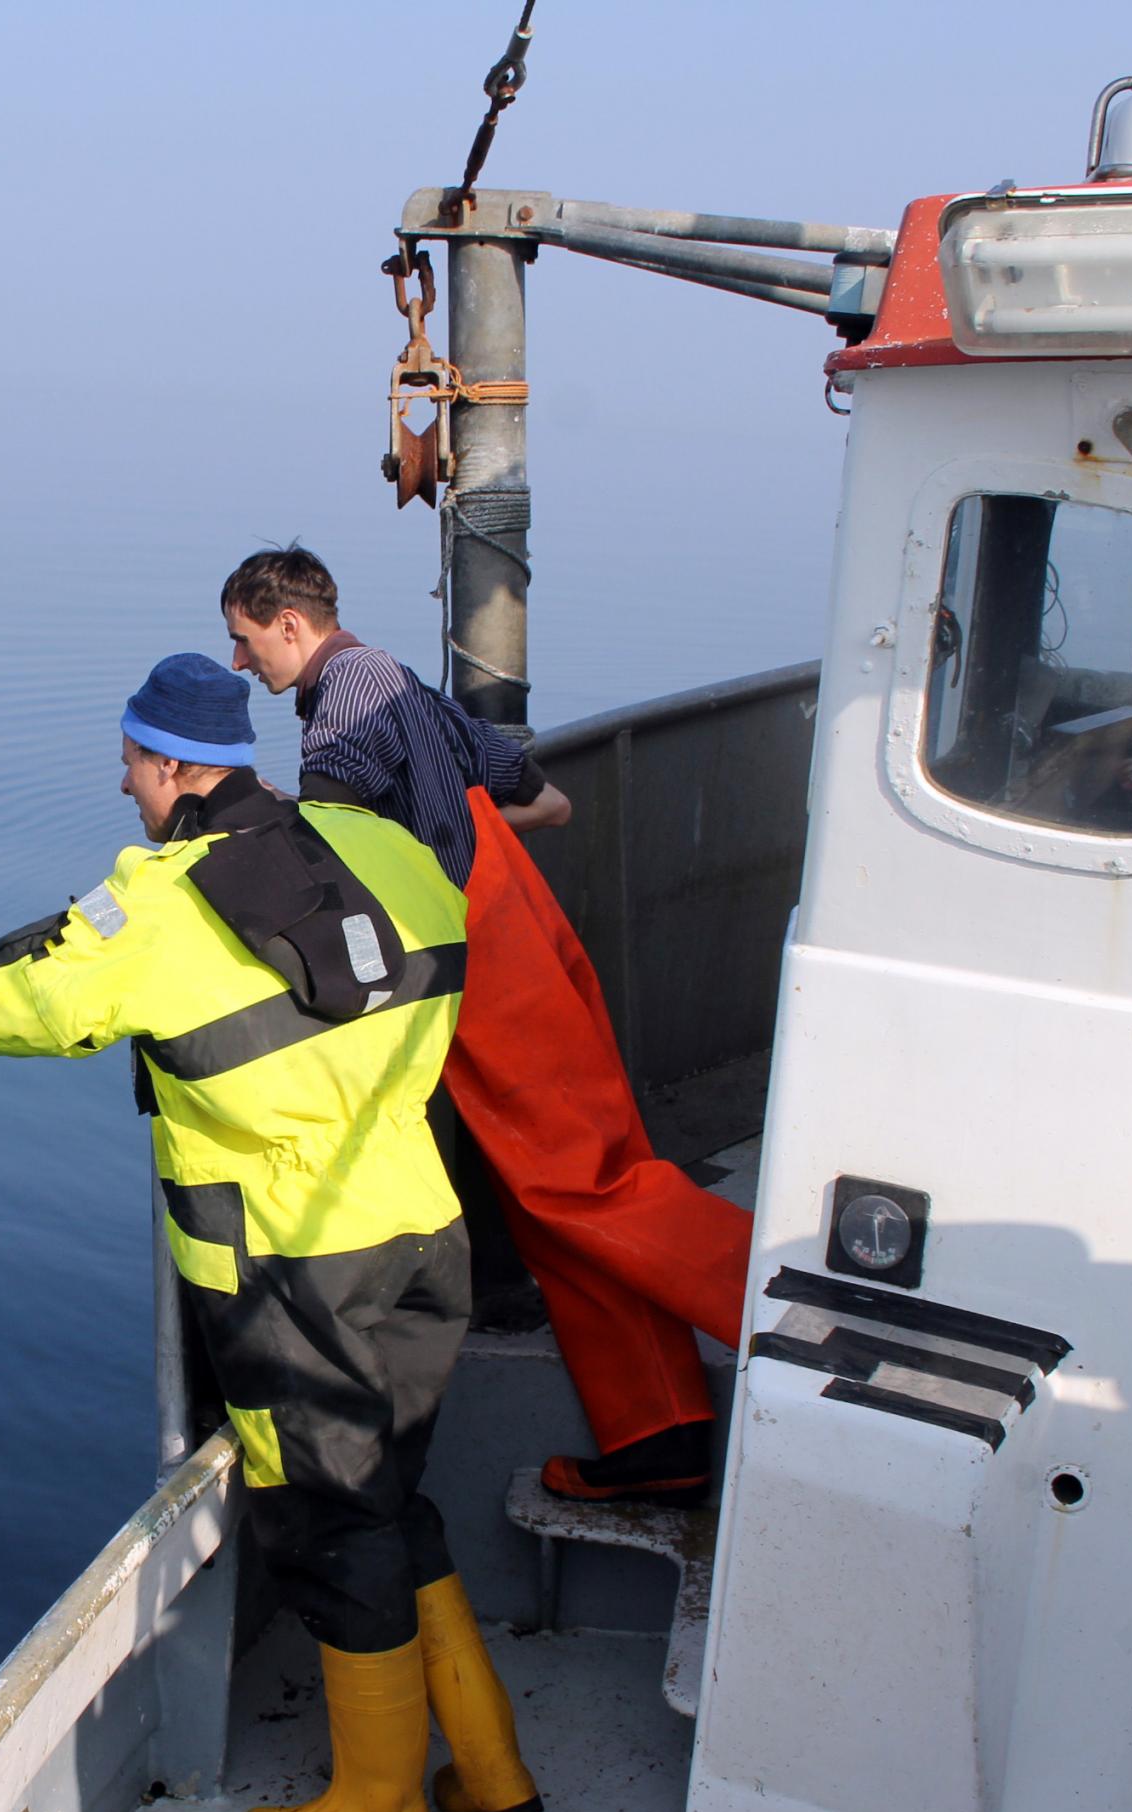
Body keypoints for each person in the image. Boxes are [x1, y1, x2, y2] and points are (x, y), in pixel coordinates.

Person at [0, 654, 540, 1812]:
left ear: (170, 766)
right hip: (422, 1230)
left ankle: (378, 1804)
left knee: (331, 1518)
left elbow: (35, 995)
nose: (121, 788)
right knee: (386, 1496)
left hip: (288, 1264)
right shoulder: (381, 848)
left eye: (127, 764)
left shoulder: (163, 903)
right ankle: (487, 1765)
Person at [220, 547, 754, 1503]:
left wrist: (244, 823)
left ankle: (796, 1310)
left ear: (289, 626)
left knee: (581, 1186)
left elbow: (327, 836)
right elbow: (540, 794)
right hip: (517, 924)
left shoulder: (345, 700)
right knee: (558, 1195)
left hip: (488, 957)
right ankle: (658, 1433)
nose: (239, 663)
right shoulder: (402, 685)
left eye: (244, 640)